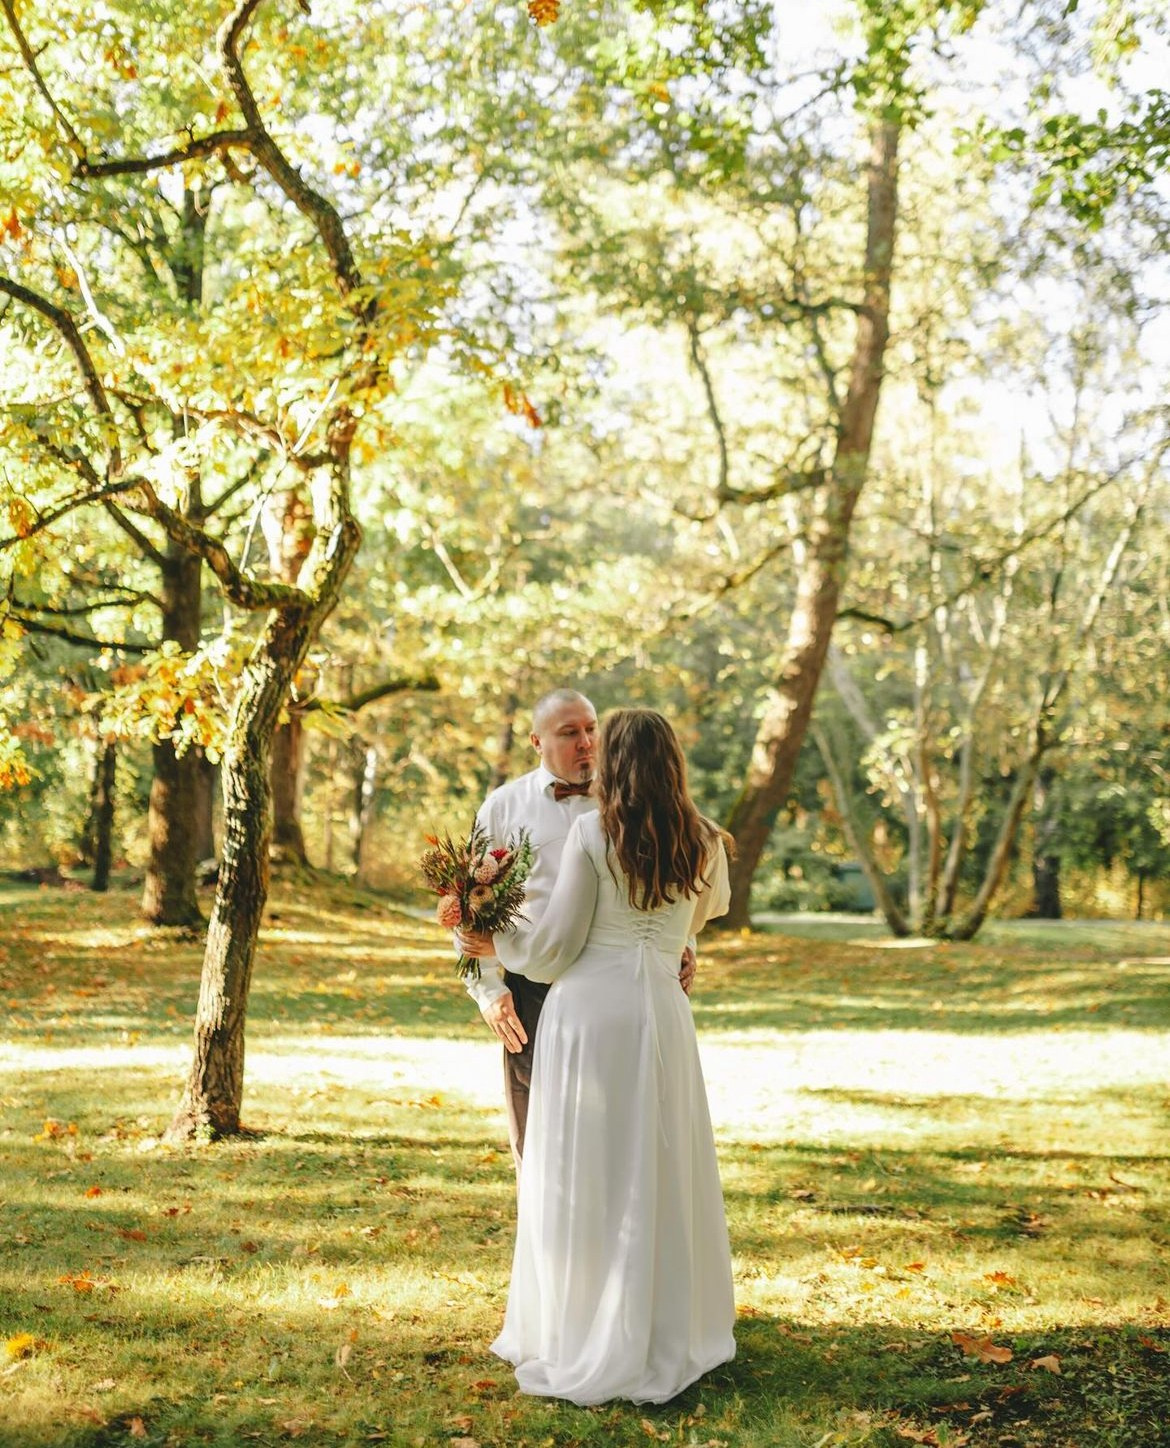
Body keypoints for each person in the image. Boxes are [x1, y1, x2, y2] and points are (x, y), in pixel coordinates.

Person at [459, 708, 735, 1406]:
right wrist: (666, 944)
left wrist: (496, 947)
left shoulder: (592, 833)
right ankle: (665, 1325)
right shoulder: (705, 840)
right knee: (659, 1161)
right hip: (662, 1013)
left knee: (587, 1169)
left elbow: (554, 949)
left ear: (617, 761)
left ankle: (580, 1325)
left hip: (591, 1015)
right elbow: (700, 918)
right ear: (672, 762)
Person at [464, 689, 695, 1167]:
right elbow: (470, 903)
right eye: (570, 733)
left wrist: (683, 944)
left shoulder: (633, 802)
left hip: (615, 986)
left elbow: (671, 880)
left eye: (592, 729)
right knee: (538, 1135)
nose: (587, 742)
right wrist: (487, 990)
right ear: (536, 741)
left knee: (621, 1134)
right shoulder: (503, 807)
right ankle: (547, 1238)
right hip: (533, 986)